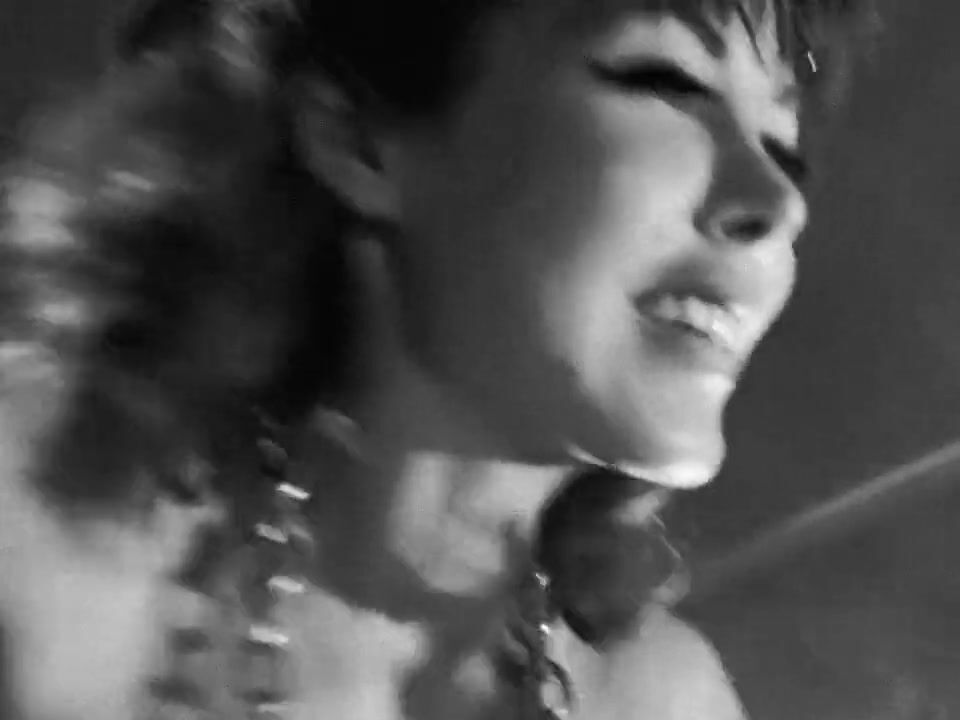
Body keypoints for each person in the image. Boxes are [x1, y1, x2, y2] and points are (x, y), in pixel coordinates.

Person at [0, 0, 873, 718]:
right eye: (667, 82)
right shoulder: (37, 538)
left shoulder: (662, 702)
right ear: (354, 138)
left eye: (786, 147)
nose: (778, 200)